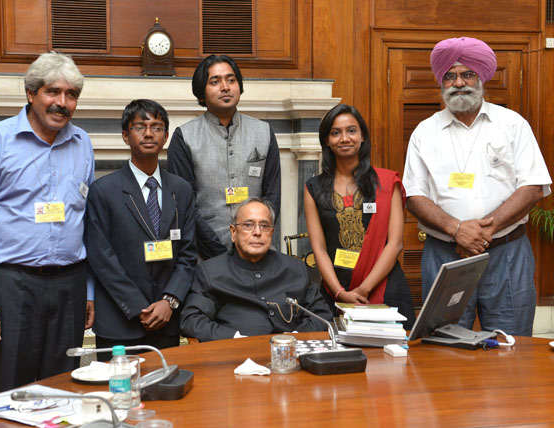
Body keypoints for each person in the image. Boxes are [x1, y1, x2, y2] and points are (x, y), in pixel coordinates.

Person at [0, 52, 95, 393]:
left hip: (70, 285)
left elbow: (88, 223)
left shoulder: (83, 144)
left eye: (71, 95)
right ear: (31, 93)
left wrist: (89, 292)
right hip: (12, 285)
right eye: (53, 92)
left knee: (64, 387)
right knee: (11, 390)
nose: (62, 103)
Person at [403, 37, 552, 336]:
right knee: (445, 345)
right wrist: (457, 230)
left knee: (512, 345)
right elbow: (414, 195)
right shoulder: (425, 132)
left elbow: (534, 186)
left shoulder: (512, 124)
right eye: (450, 76)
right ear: (442, 83)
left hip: (506, 252)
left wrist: (481, 232)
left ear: (481, 78)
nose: (459, 83)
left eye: (467, 74)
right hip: (445, 254)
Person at [85, 100, 197, 360]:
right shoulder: (104, 191)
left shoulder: (181, 190)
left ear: (166, 136)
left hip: (166, 319)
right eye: (140, 127)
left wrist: (169, 302)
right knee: (119, 394)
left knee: (166, 391)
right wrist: (139, 307)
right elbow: (102, 258)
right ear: (126, 135)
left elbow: (189, 254)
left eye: (157, 127)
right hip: (119, 320)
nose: (149, 133)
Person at [304, 104, 416, 328]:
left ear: (362, 136)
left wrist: (363, 290)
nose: (344, 138)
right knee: (340, 358)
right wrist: (339, 293)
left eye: (351, 131)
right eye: (336, 133)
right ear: (326, 140)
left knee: (395, 358)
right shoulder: (313, 188)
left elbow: (394, 244)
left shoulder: (385, 183)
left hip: (384, 287)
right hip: (335, 291)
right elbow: (319, 249)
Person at [167, 54, 281, 259]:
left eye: (231, 80)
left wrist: (258, 237)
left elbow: (272, 195)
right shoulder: (184, 137)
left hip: (259, 250)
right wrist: (215, 249)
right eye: (215, 81)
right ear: (201, 93)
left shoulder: (263, 132)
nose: (225, 87)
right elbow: (184, 203)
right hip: (206, 254)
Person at [180, 197, 332, 342]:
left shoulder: (295, 269)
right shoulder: (211, 272)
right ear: (233, 233)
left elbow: (322, 314)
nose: (257, 232)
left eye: (264, 226)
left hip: (291, 356)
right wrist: (235, 339)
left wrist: (294, 338)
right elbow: (192, 320)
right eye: (248, 225)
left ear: (271, 233)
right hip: (234, 358)